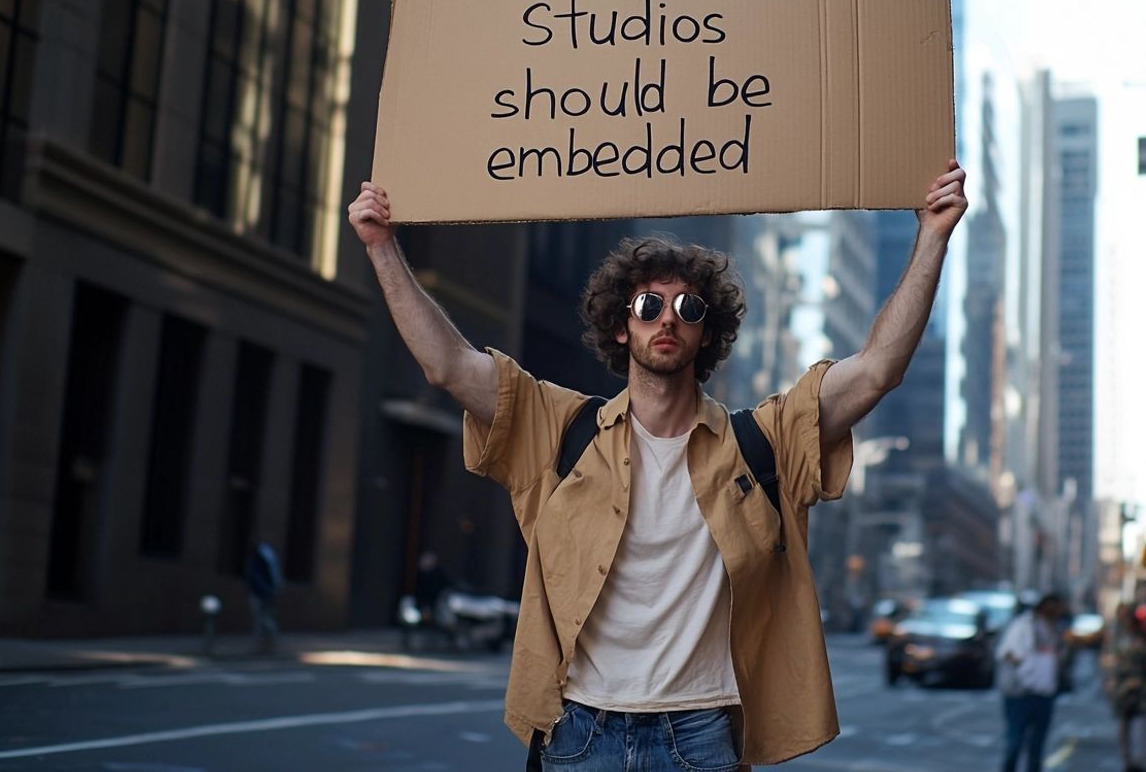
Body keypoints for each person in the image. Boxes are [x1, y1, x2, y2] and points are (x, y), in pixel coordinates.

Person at [346, 159, 967, 772]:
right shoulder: (559, 427)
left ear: (708, 334)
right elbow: (448, 366)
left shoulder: (763, 442)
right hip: (577, 731)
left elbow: (879, 370)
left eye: (689, 310)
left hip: (701, 735)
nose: (668, 318)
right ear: (622, 327)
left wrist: (931, 236)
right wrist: (381, 247)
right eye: (648, 305)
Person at [996, 593, 1066, 772]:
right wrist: (1024, 669)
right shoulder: (1023, 625)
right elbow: (1006, 652)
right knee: (1015, 743)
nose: (1059, 611)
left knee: (1037, 746)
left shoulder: (1054, 630)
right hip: (1021, 693)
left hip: (1044, 693)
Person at [1103, 604, 1146, 772]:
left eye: (1127, 615)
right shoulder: (1115, 636)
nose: (1125, 619)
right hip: (1123, 684)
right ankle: (1127, 759)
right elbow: (1108, 659)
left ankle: (1142, 758)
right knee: (1124, 721)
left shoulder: (1141, 636)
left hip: (1140, 683)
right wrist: (1110, 680)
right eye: (1122, 615)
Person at [244, 540, 282, 655]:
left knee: (261, 620)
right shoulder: (268, 558)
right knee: (266, 619)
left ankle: (263, 645)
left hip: (260, 594)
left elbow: (254, 578)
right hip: (266, 593)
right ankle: (268, 643)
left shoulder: (258, 560)